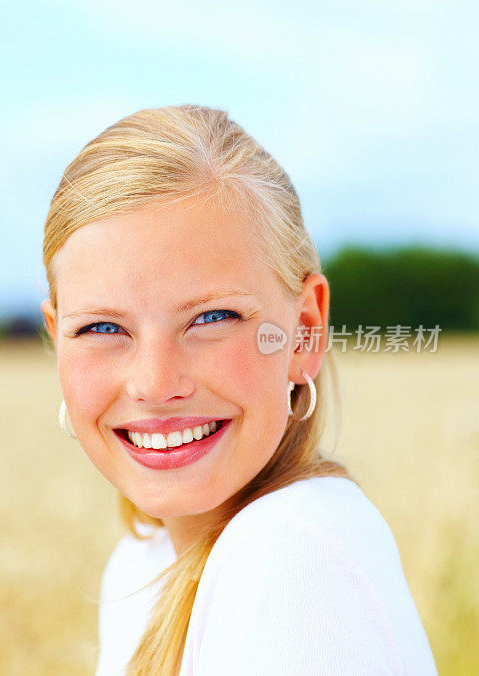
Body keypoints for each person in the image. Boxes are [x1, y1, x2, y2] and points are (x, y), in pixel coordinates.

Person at [39, 105, 437, 675]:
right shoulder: (141, 562)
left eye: (212, 318)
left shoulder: (290, 555)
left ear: (304, 331)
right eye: (102, 328)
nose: (155, 384)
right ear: (58, 341)